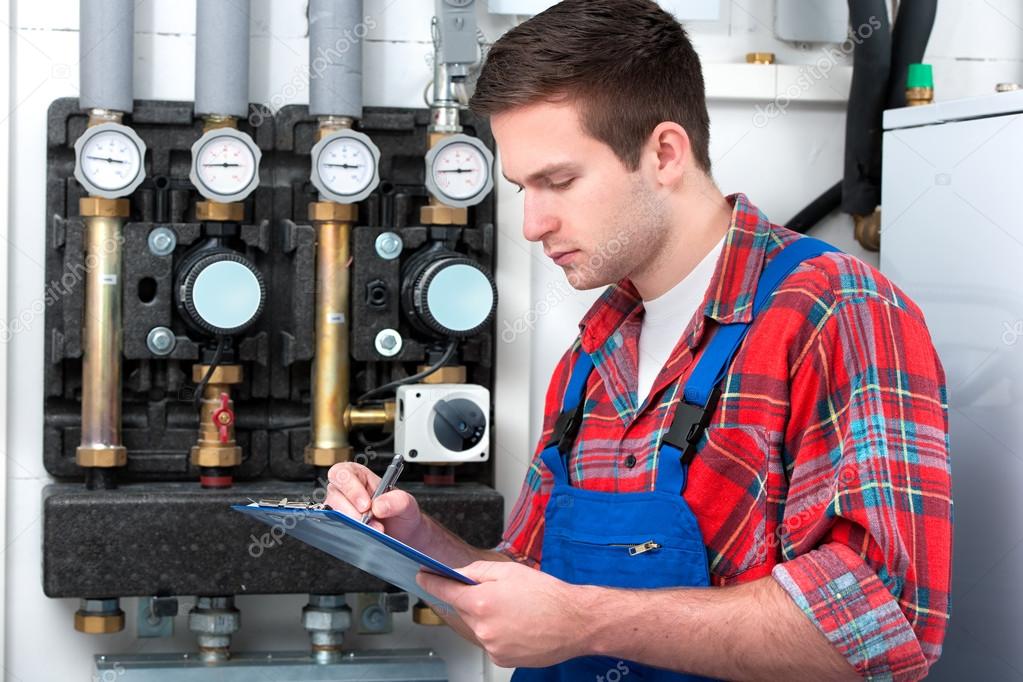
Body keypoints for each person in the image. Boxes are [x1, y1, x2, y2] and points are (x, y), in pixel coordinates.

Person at [326, 1, 952, 679]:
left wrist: (588, 622)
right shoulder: (593, 350)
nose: (532, 224)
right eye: (520, 189)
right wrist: (418, 545)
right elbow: (532, 590)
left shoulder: (834, 313)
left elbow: (884, 629)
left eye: (558, 181)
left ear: (663, 154)